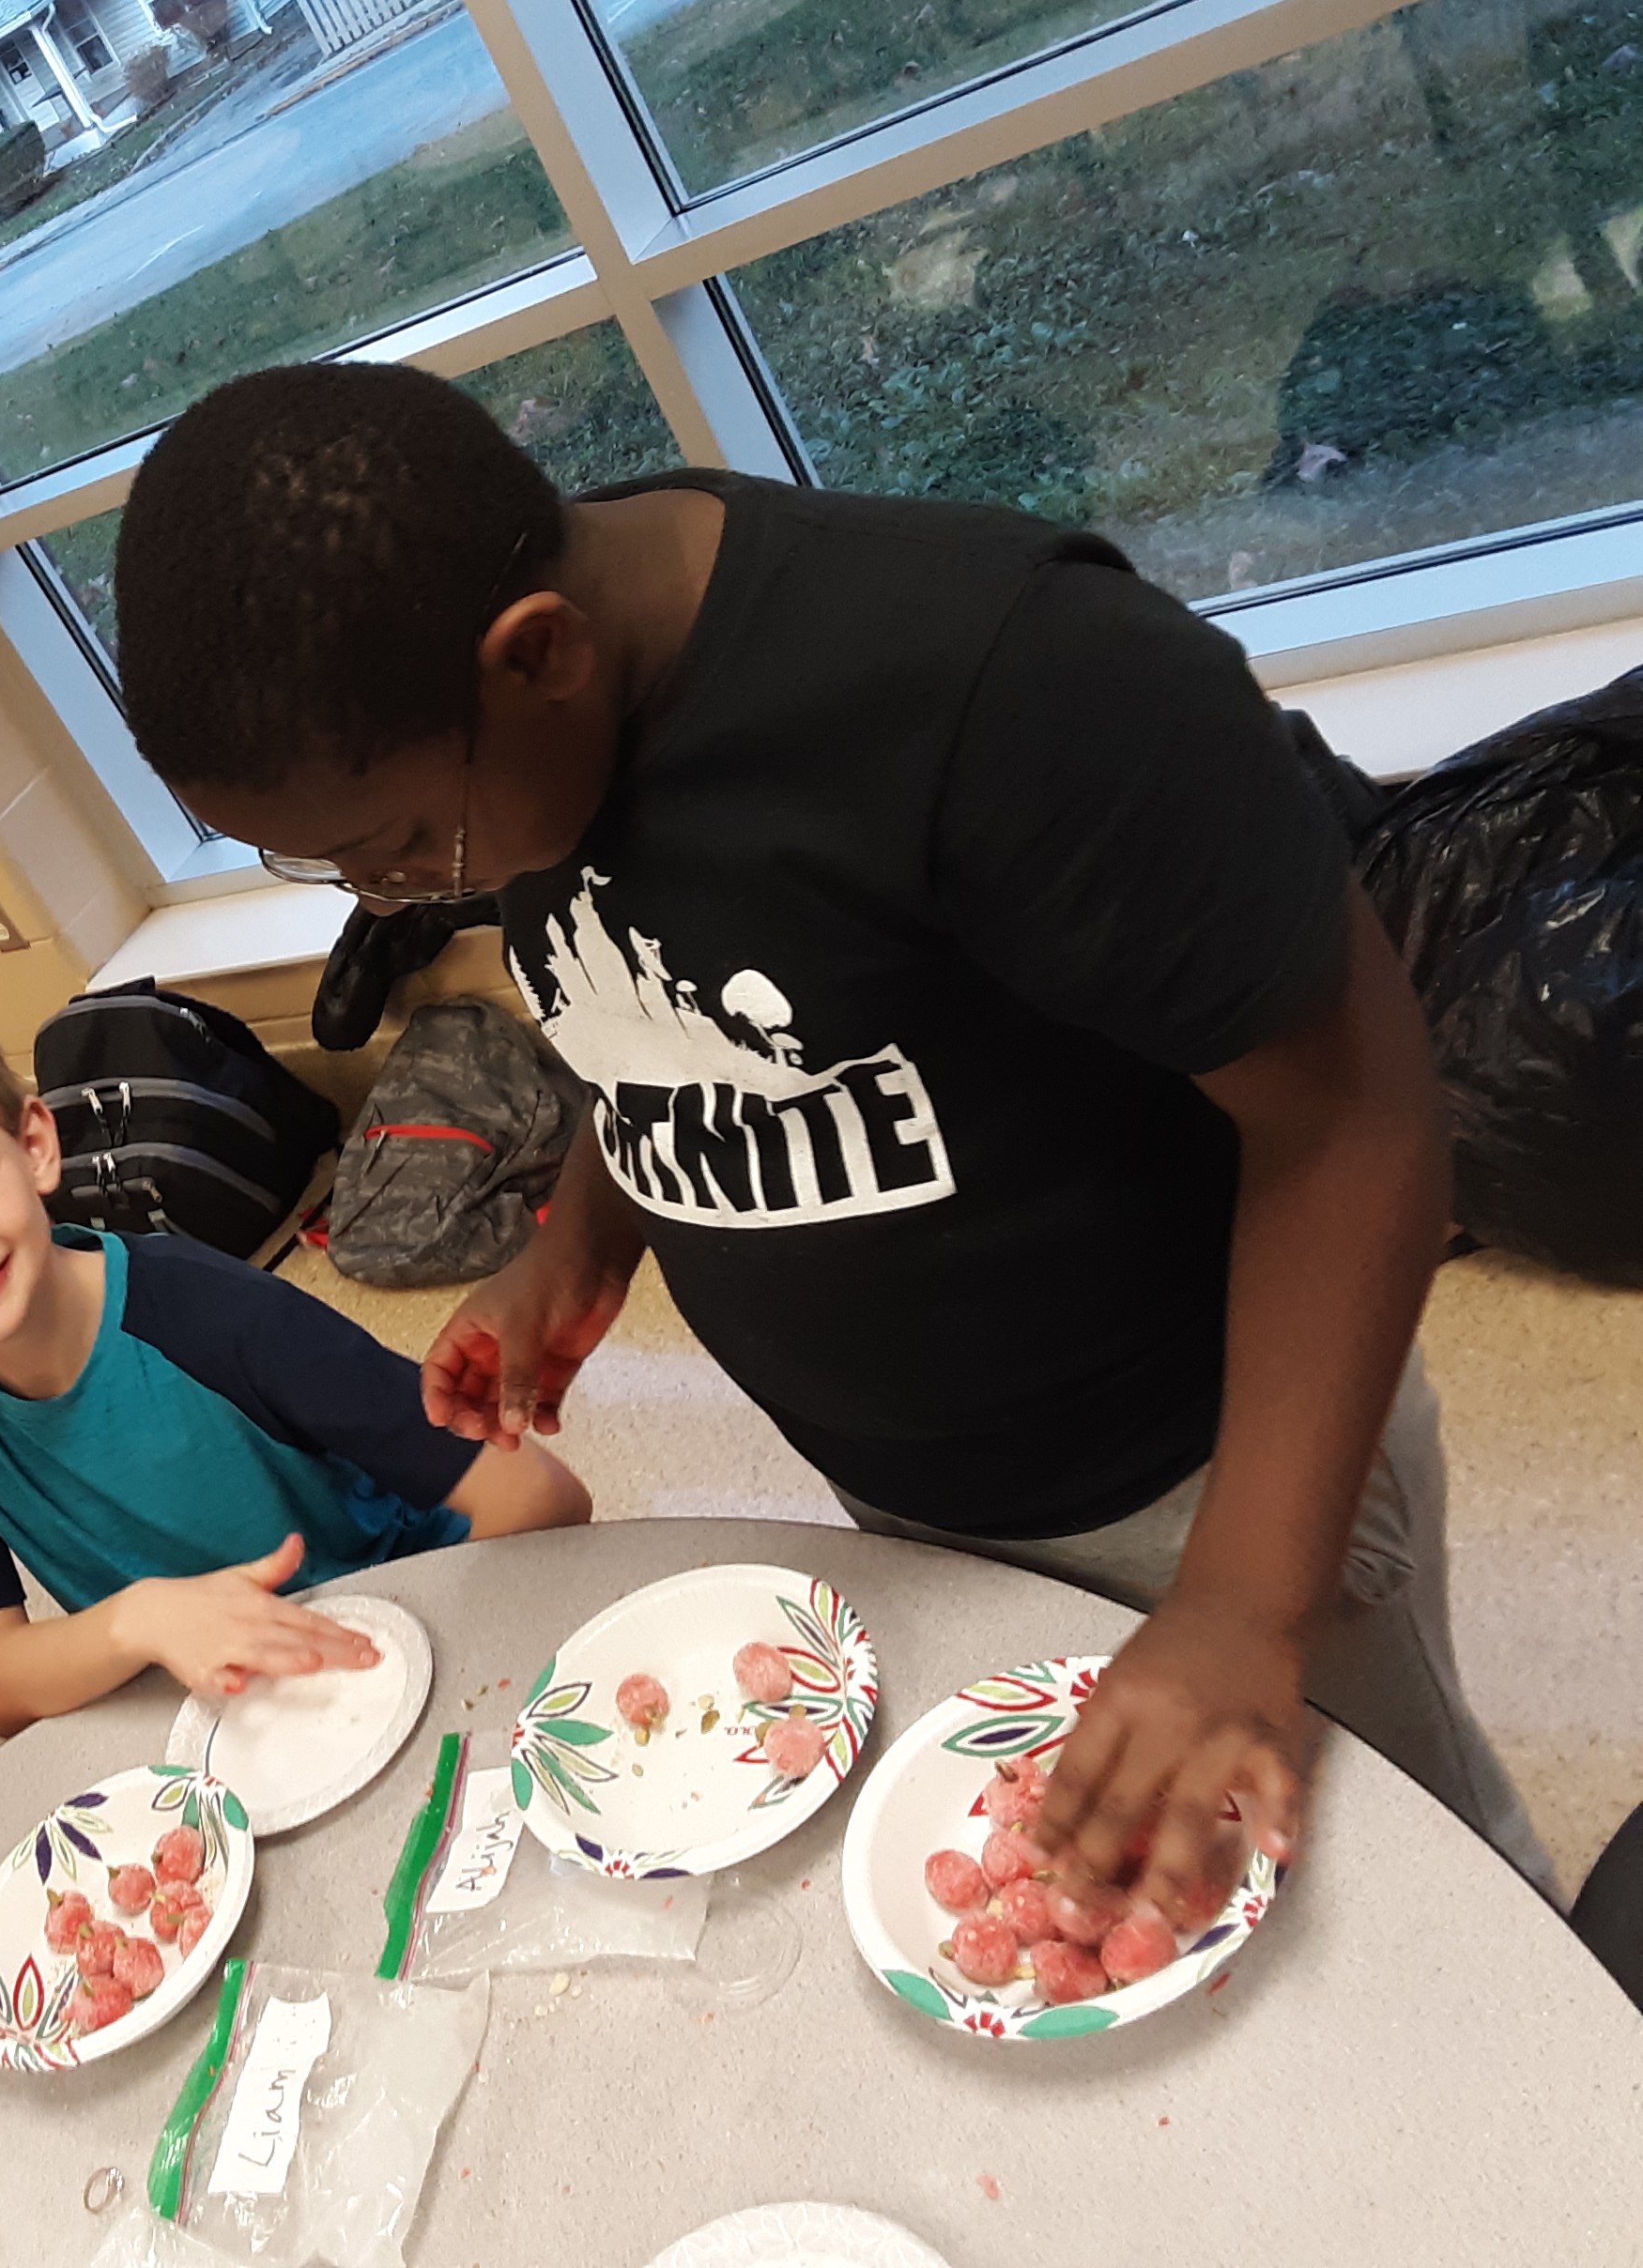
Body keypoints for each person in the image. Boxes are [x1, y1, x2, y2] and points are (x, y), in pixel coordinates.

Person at [111, 361, 1553, 1908]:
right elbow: (659, 1015)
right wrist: (581, 1240)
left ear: (535, 656)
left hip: (1209, 1472)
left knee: (1410, 1895)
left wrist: (1242, 1608)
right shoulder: (514, 732)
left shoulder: (1007, 685)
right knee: (1145, 1906)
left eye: (401, 847)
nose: (392, 893)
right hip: (918, 1490)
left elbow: (1354, 1119)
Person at [0, 999, 588, 1737]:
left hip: (411, 1632)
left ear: (34, 1145)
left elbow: (541, 1498)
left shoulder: (214, 1314)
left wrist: (390, 1652)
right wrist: (139, 1621)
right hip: (215, 1702)